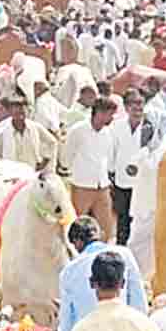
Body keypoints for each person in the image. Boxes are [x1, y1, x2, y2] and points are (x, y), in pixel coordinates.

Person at [57, 216, 148, 331]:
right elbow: (139, 304)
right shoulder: (124, 255)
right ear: (100, 234)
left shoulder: (69, 272)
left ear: (77, 242)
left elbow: (66, 324)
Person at [62, 98, 118, 242]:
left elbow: (108, 158)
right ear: (99, 113)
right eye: (109, 114)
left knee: (106, 227)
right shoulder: (78, 130)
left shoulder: (108, 133)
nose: (111, 118)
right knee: (77, 224)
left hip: (102, 185)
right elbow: (66, 156)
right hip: (82, 185)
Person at [109, 89, 156, 246]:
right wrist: (111, 172)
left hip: (141, 180)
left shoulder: (149, 128)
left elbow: (152, 150)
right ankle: (121, 246)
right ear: (127, 108)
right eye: (134, 108)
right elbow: (112, 150)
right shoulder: (117, 126)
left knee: (139, 216)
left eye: (140, 108)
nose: (137, 112)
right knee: (122, 216)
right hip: (121, 179)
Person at [0, 95, 58, 171]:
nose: (20, 117)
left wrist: (45, 161)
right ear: (10, 112)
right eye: (17, 113)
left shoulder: (35, 127)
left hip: (32, 172)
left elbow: (52, 142)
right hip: (11, 174)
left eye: (22, 113)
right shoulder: (2, 132)